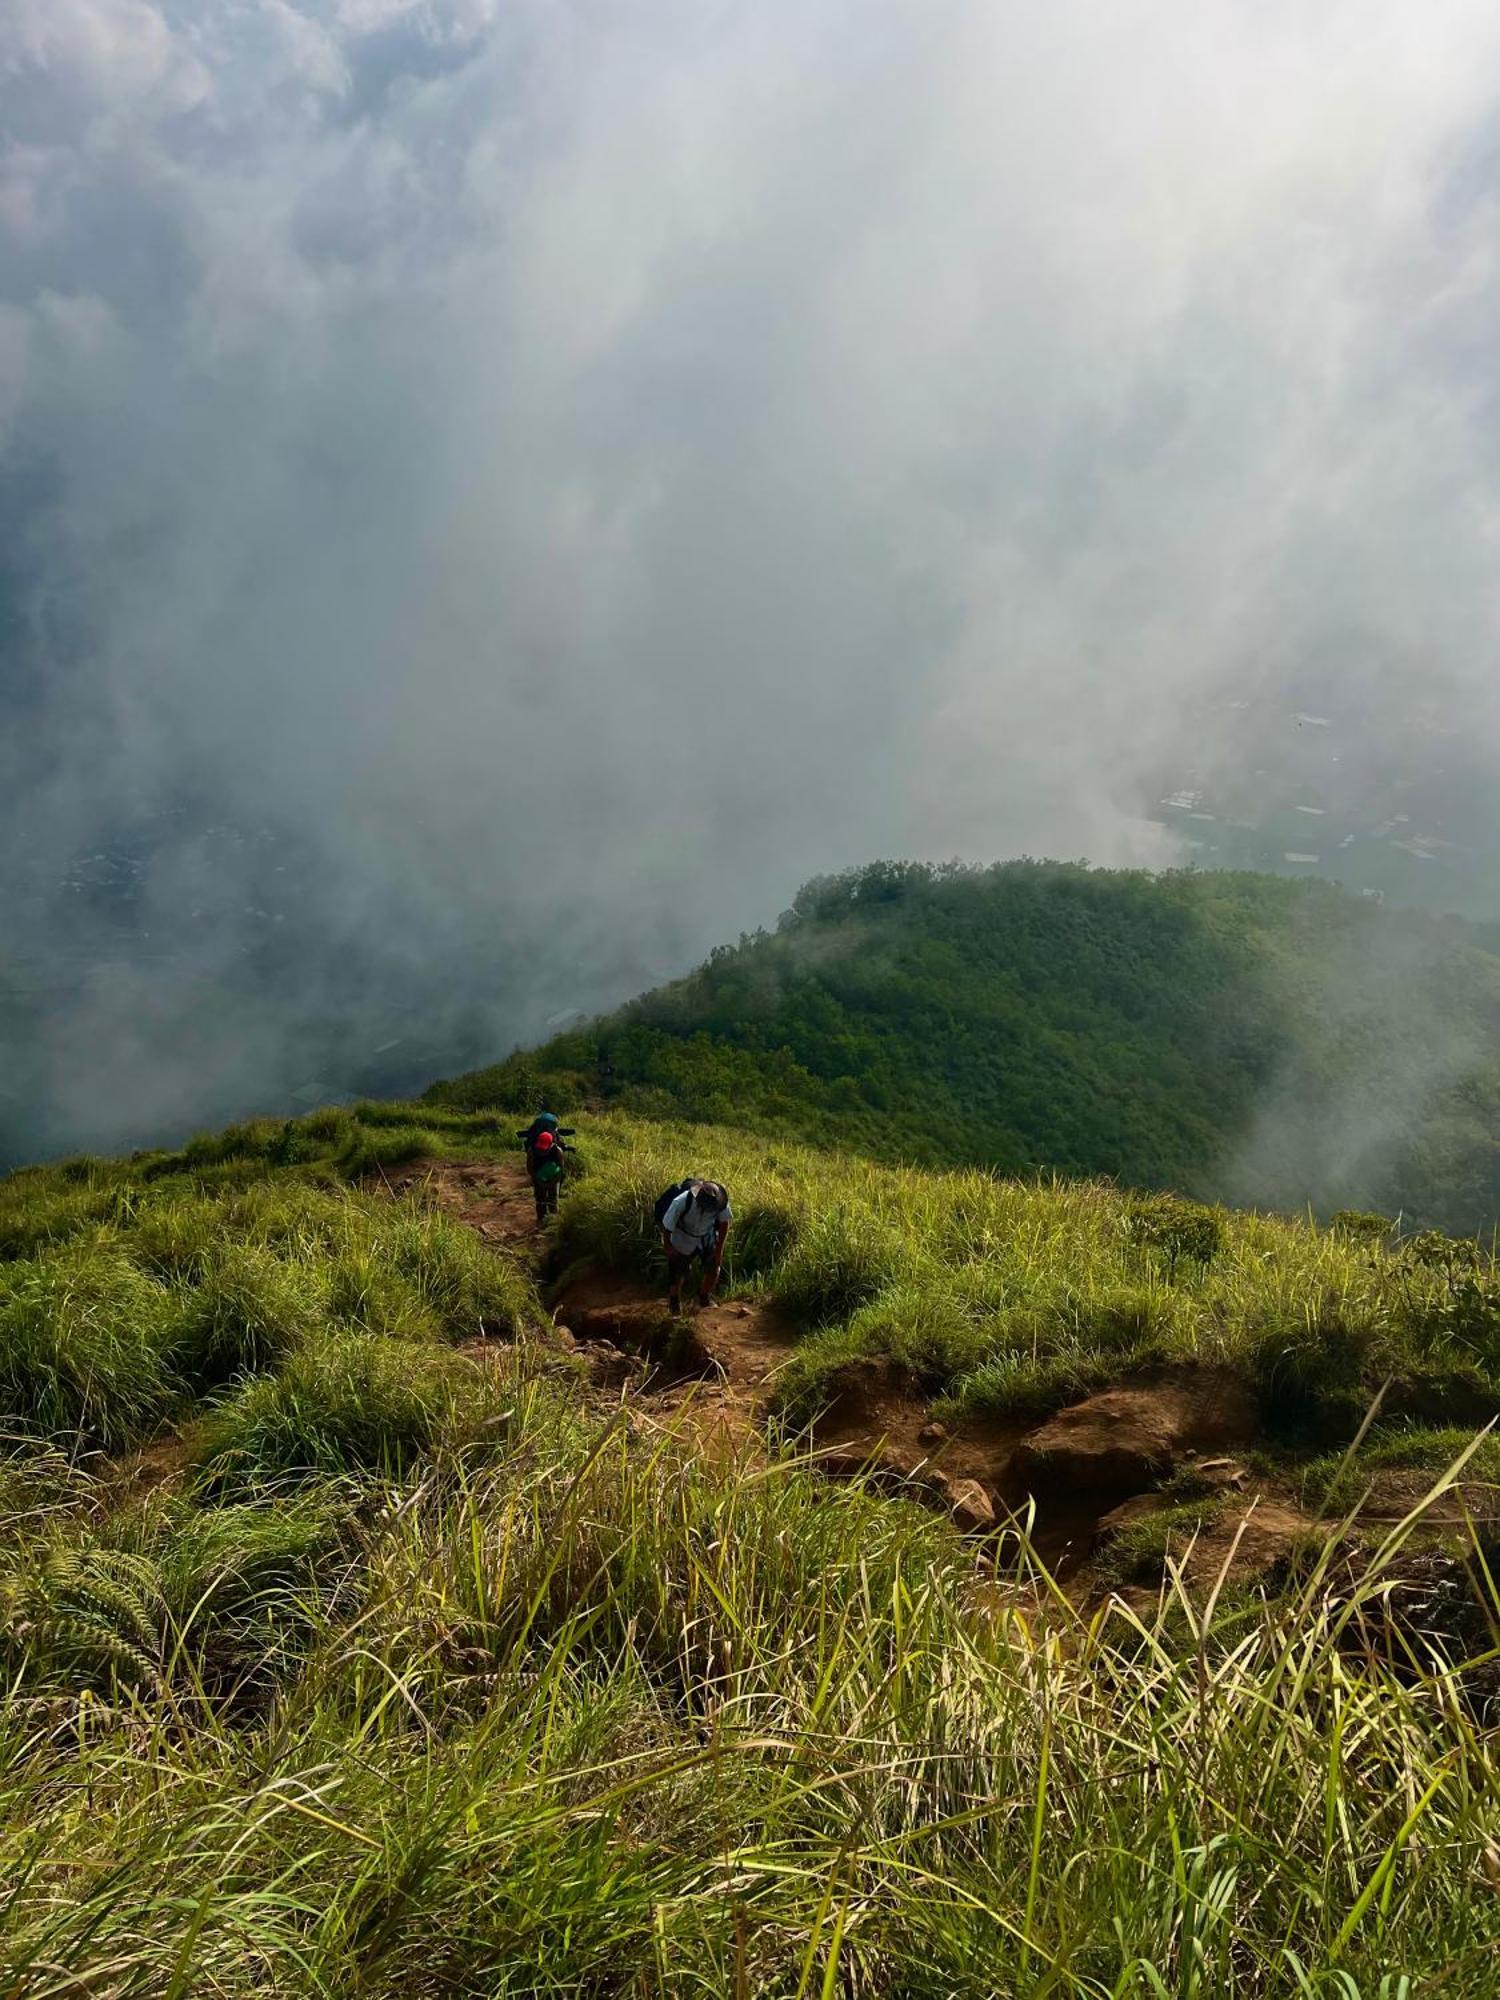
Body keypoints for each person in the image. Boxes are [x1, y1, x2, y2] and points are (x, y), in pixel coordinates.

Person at [658, 1179, 732, 1313]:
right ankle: (674, 1301)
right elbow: (667, 1226)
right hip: (683, 1236)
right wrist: (668, 1247)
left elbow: (724, 1223)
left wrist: (719, 1250)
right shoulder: (682, 1201)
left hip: (706, 1235)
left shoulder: (720, 1202)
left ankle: (703, 1297)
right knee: (677, 1269)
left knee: (714, 1266)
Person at [517, 1110, 574, 1224]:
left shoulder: (557, 1151)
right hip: (538, 1175)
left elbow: (560, 1170)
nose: (541, 1149)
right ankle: (541, 1222)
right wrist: (539, 1181)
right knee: (540, 1200)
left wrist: (552, 1182)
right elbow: (530, 1169)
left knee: (553, 1199)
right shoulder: (532, 1151)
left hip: (554, 1177)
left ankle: (553, 1222)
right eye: (540, 1146)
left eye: (544, 1147)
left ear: (551, 1144)